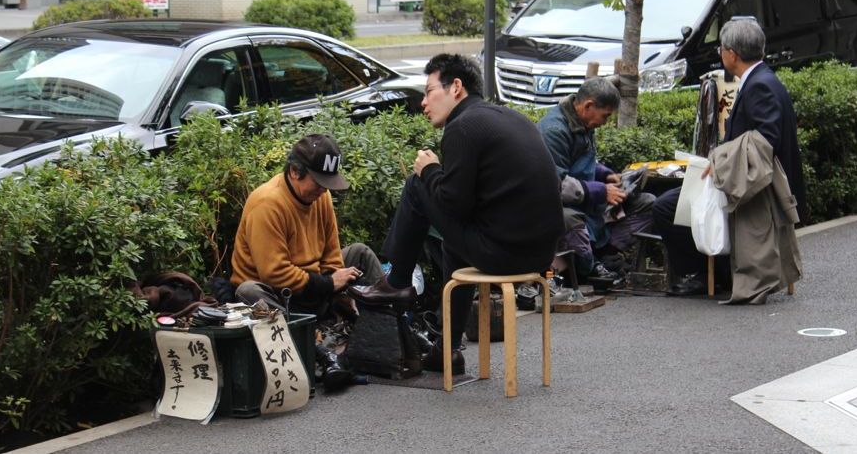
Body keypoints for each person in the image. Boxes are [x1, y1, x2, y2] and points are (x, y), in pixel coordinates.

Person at [349, 54, 565, 374]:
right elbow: (469, 205)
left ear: (456, 88)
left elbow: (453, 204)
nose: (423, 102)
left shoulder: (462, 126)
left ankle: (395, 282)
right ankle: (447, 350)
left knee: (415, 184)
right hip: (540, 255)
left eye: (429, 92)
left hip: (504, 254)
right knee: (455, 244)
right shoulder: (507, 117)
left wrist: (430, 169)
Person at [652, 17, 806, 301]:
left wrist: (721, 160)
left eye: (720, 49)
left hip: (755, 186)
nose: (720, 55)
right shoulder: (764, 79)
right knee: (675, 201)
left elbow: (764, 142)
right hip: (749, 178)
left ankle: (705, 274)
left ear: (731, 53)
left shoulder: (759, 85)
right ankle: (717, 272)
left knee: (665, 208)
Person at [231, 134, 385, 389]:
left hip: (312, 285)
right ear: (294, 171)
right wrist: (327, 284)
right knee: (248, 291)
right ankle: (320, 353)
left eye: (328, 183)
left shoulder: (320, 197)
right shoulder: (267, 203)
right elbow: (274, 273)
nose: (324, 189)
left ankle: (389, 334)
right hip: (278, 295)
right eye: (319, 182)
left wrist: (339, 287)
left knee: (360, 253)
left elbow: (332, 253)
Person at [538, 77, 655, 286]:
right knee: (572, 221)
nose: (605, 123)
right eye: (605, 116)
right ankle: (588, 268)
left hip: (589, 202)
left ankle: (604, 255)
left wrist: (605, 174)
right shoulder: (553, 131)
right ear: (588, 106)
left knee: (647, 203)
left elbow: (584, 162)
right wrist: (601, 191)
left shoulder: (584, 122)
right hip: (560, 206)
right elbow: (555, 184)